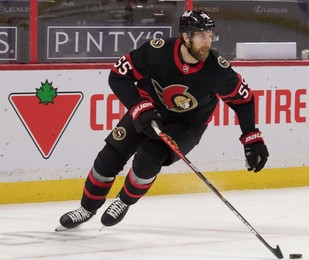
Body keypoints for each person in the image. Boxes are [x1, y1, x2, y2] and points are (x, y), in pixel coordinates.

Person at [56, 10, 269, 231]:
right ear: (185, 36)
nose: (207, 41)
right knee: (109, 158)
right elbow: (118, 75)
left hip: (186, 126)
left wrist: (251, 139)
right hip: (149, 112)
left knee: (149, 158)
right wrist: (139, 106)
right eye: (201, 36)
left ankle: (123, 201)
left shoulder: (217, 69)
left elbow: (243, 100)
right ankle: (87, 208)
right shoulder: (157, 52)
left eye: (209, 35)